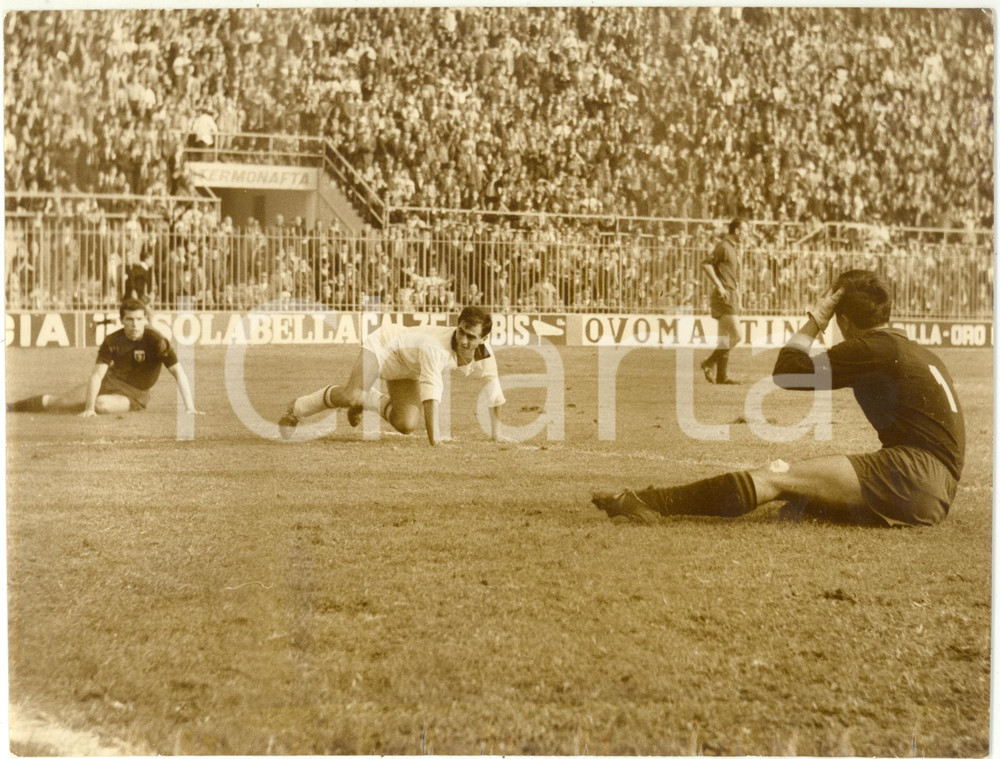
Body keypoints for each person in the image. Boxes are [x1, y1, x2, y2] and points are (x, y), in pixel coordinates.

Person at [593, 270, 964, 527]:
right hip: (938, 489)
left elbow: (787, 370)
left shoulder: (870, 349)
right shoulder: (914, 350)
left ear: (843, 319)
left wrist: (815, 319)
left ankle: (651, 503)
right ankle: (823, 507)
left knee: (777, 475)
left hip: (913, 475)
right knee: (800, 494)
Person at [279, 306, 508, 446]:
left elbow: (494, 391)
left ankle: (368, 400)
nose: (464, 341)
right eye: (461, 332)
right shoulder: (435, 347)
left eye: (471, 337)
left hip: (408, 366)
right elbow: (431, 394)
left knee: (406, 424)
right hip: (385, 345)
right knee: (351, 395)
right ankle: (297, 408)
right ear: (457, 326)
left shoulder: (485, 355)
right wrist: (435, 440)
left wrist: (496, 435)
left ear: (483, 339)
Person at [7, 298, 202, 417]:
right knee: (60, 402)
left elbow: (178, 373)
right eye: (130, 319)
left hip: (134, 395)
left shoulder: (157, 341)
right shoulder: (112, 340)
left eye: (139, 319)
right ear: (122, 320)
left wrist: (190, 407)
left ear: (145, 319)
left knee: (101, 405)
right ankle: (10, 407)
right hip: (109, 382)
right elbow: (97, 376)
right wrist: (88, 408)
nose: (135, 324)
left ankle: (94, 405)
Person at [700, 218, 744, 384]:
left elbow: (733, 277)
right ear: (738, 231)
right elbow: (706, 264)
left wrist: (738, 299)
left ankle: (721, 376)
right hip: (723, 297)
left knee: (725, 338)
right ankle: (708, 363)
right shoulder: (724, 246)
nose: (746, 235)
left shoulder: (733, 249)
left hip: (731, 296)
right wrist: (719, 286)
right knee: (737, 336)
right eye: (745, 231)